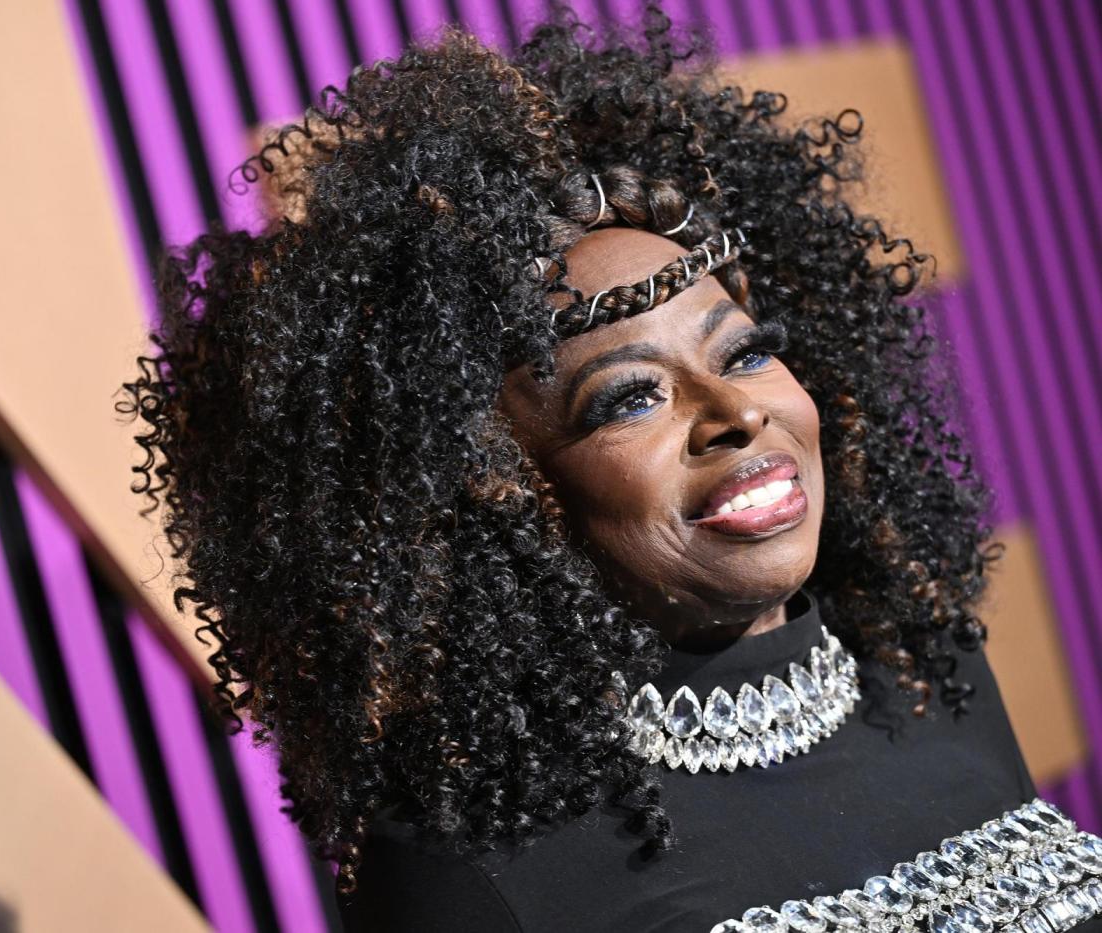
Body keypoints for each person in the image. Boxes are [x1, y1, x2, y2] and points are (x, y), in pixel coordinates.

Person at [119, 4, 1102, 930]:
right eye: (629, 398)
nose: (734, 414)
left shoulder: (930, 667)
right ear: (502, 493)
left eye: (745, 352)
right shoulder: (476, 868)